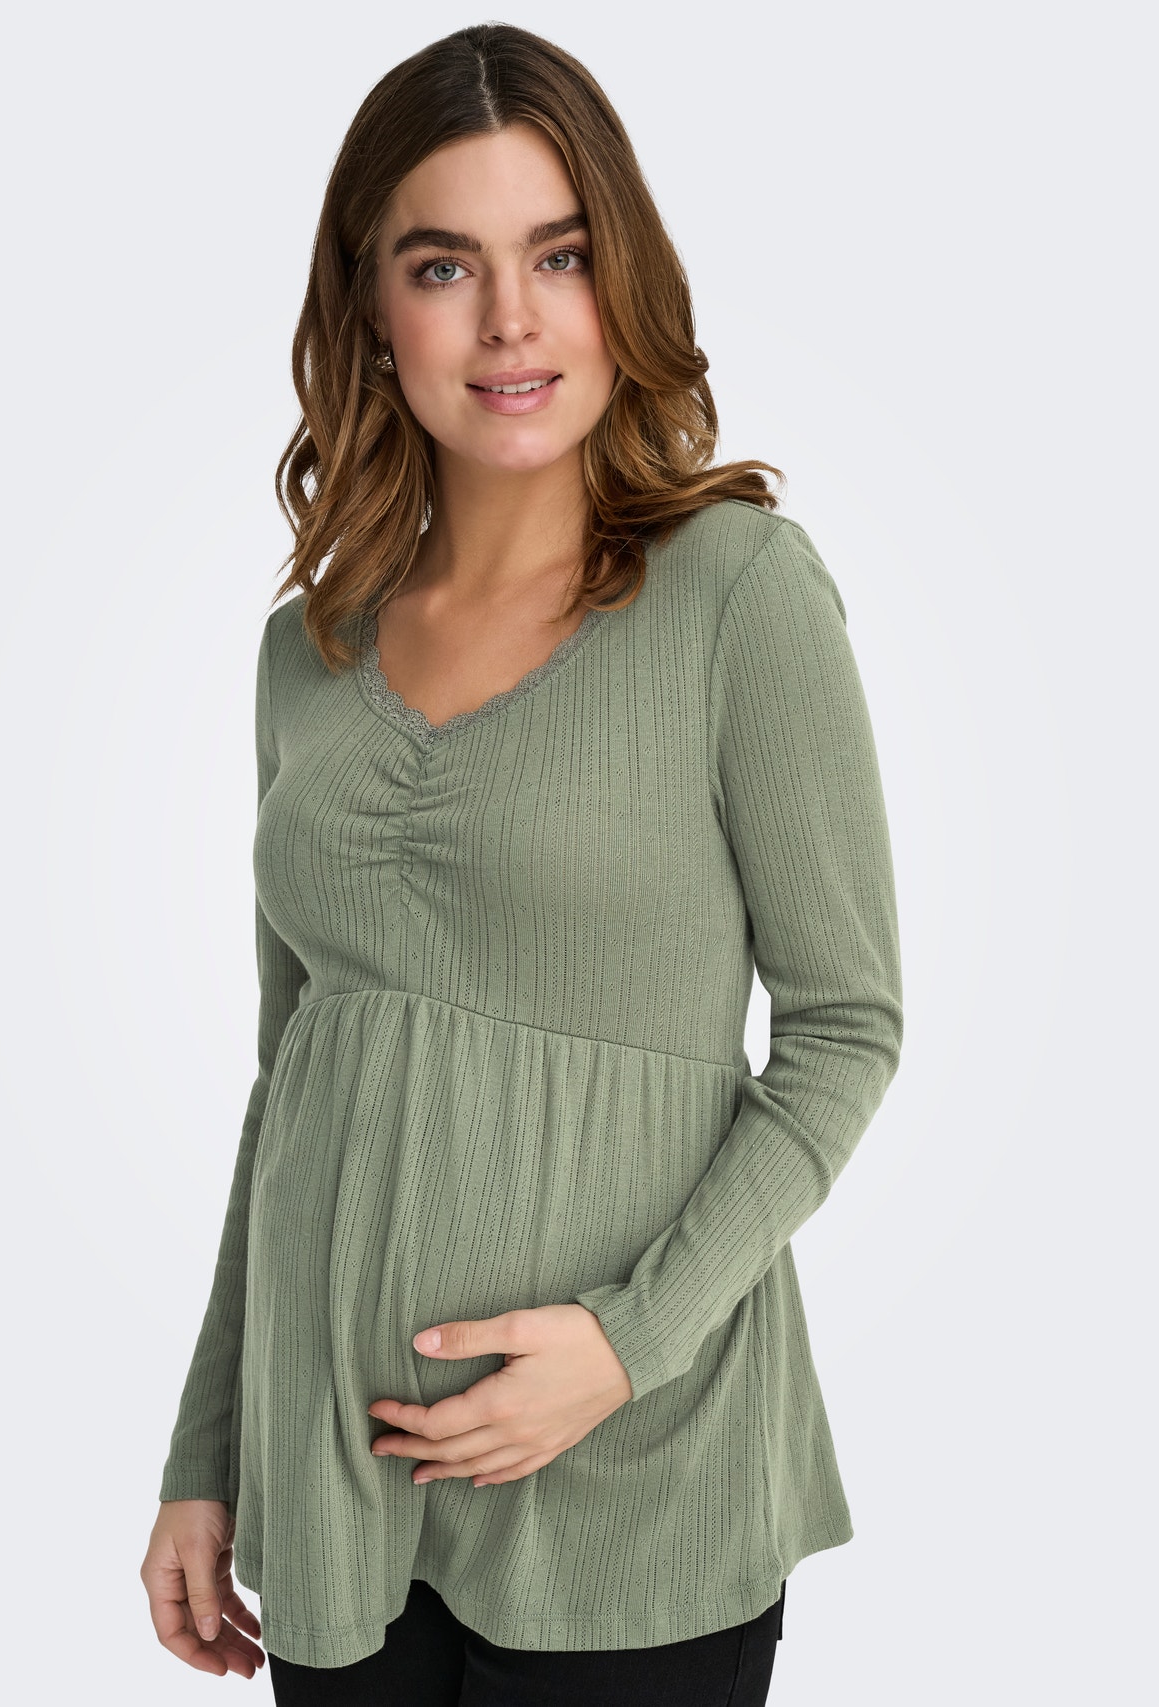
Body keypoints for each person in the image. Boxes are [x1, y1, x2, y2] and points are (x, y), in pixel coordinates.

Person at [139, 21, 903, 1706]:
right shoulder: (306, 655)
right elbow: (290, 1085)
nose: (510, 319)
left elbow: (846, 1036)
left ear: (621, 278)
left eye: (557, 255)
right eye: (444, 265)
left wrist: (626, 1347)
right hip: (333, 1487)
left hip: (641, 1484)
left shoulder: (740, 593)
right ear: (371, 310)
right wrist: (207, 1454)